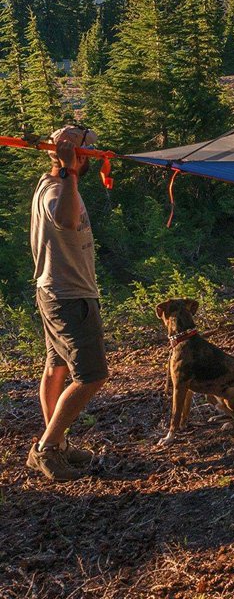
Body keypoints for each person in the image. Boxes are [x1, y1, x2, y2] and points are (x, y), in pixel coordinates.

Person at [26, 125, 108, 481]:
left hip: (58, 291)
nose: (90, 159)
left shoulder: (58, 182)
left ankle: (56, 444)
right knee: (92, 375)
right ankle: (46, 448)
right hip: (68, 296)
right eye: (86, 154)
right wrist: (71, 170)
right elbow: (64, 219)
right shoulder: (58, 187)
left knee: (56, 366)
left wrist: (70, 170)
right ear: (72, 156)